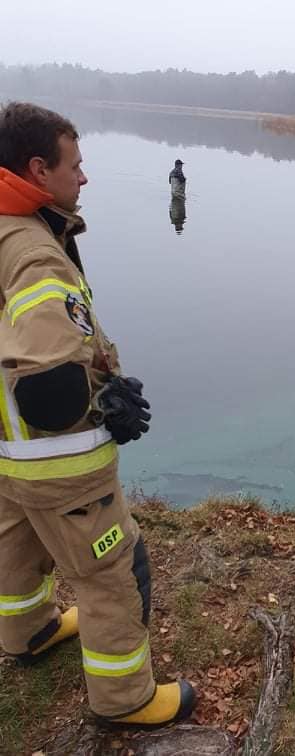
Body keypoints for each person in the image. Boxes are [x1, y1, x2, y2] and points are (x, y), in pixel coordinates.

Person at [0, 103, 196, 726]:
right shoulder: (36, 254)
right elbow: (50, 395)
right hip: (57, 462)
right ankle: (125, 698)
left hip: (7, 449)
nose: (84, 179)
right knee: (113, 568)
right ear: (37, 168)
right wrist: (106, 401)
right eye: (75, 165)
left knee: (16, 545)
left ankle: (27, 632)